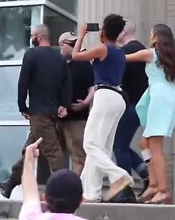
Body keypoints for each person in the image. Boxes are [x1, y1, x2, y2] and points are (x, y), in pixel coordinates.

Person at [0, 24, 71, 199]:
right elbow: (67, 83)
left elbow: (24, 83)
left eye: (32, 35)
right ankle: (10, 183)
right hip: (52, 111)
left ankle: (64, 190)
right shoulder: (59, 58)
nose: (31, 38)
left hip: (38, 111)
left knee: (52, 150)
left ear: (38, 36)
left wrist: (22, 106)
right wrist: (63, 104)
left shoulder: (31, 55)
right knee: (29, 149)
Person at [126, 24, 175, 204]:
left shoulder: (151, 54)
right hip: (169, 98)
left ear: (157, 37)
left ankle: (163, 189)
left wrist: (104, 52)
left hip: (159, 99)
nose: (150, 37)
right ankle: (154, 183)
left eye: (151, 34)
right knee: (145, 143)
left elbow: (124, 58)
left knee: (156, 147)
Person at [72, 14, 135, 202]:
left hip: (105, 96)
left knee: (90, 144)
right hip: (118, 99)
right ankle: (91, 193)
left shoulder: (102, 49)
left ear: (104, 32)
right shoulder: (120, 53)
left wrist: (81, 35)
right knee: (102, 149)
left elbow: (75, 56)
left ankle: (120, 176)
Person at [114, 22, 149, 197]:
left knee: (118, 145)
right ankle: (144, 172)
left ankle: (125, 190)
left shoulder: (126, 51)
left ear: (123, 32)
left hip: (131, 105)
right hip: (140, 105)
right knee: (122, 145)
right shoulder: (142, 49)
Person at [18, 137, 87, 220]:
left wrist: (29, 159)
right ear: (81, 201)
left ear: (44, 198)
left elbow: (29, 193)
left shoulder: (31, 218)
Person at [57, 32, 95, 175]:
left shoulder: (84, 64)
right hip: (58, 117)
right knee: (56, 155)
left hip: (77, 119)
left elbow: (92, 87)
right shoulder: (60, 65)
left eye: (74, 44)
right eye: (70, 44)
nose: (73, 47)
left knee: (79, 156)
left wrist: (85, 103)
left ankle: (76, 188)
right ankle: (58, 187)